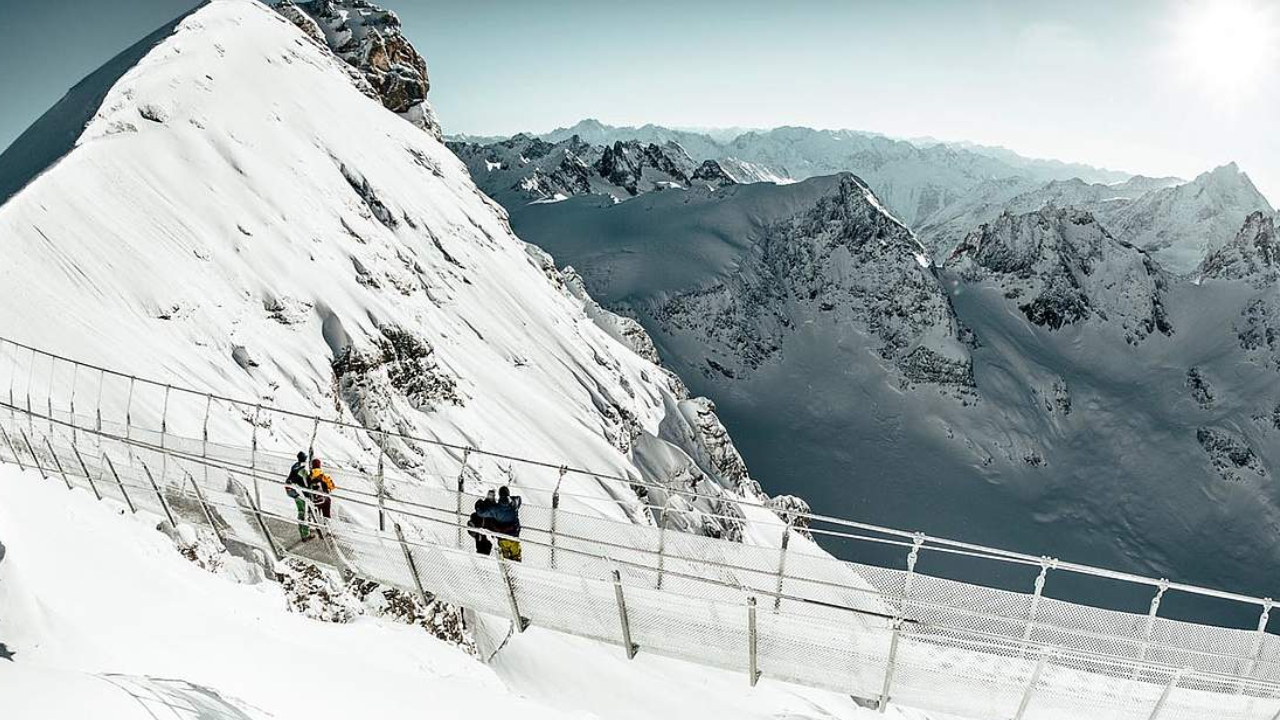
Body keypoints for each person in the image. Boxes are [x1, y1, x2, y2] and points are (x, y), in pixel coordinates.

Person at [488, 485, 523, 562]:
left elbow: (482, 512)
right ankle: (517, 571)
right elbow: (519, 499)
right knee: (516, 557)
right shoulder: (514, 504)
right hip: (513, 537)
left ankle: (507, 571)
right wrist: (510, 498)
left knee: (505, 559)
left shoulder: (495, 508)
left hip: (502, 537)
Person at [285, 451, 311, 541]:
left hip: (292, 490)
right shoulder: (302, 470)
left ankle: (304, 532)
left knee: (302, 511)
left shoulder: (296, 466)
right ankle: (305, 535)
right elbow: (307, 483)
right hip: (297, 491)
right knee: (304, 512)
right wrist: (308, 494)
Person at [308, 458, 335, 535]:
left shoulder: (309, 477)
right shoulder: (324, 476)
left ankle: (315, 527)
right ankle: (328, 530)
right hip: (325, 499)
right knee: (326, 514)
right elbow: (332, 486)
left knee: (315, 513)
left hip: (315, 500)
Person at [467, 490, 496, 555]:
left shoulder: (495, 507)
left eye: (492, 495)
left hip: (488, 533)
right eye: (489, 494)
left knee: (485, 550)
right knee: (480, 550)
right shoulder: (483, 504)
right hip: (482, 532)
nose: (490, 496)